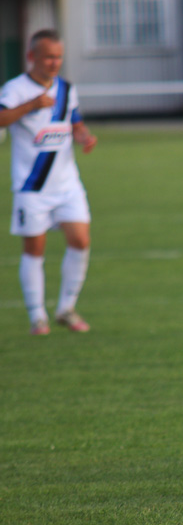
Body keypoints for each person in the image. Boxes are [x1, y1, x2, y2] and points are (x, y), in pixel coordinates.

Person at [0, 29, 97, 335]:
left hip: (67, 184)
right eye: (48, 57)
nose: (54, 63)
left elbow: (75, 122)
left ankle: (66, 308)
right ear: (32, 57)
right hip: (32, 187)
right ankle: (37, 315)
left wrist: (84, 137)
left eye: (58, 57)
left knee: (81, 241)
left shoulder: (67, 89)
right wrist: (31, 106)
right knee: (34, 250)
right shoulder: (15, 89)